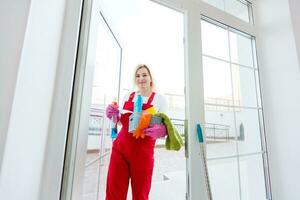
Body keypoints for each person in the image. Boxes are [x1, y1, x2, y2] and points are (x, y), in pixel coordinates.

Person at [105, 64, 168, 200]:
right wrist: (112, 114)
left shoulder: (160, 99)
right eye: (138, 76)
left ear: (151, 78)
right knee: (113, 192)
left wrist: (163, 130)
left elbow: (166, 125)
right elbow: (120, 120)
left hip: (143, 154)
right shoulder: (128, 95)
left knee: (140, 194)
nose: (141, 78)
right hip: (120, 149)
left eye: (144, 75)